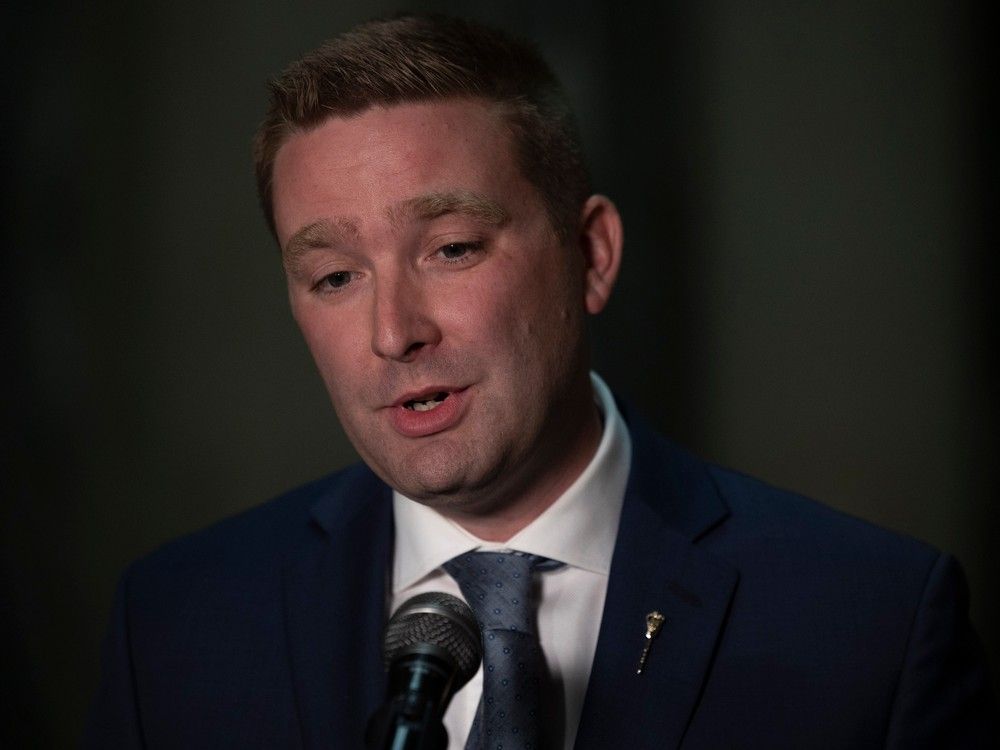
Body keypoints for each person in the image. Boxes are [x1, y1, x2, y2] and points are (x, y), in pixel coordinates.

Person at [84, 14, 995, 749]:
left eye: (451, 249)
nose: (393, 333)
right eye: (333, 277)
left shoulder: (869, 622)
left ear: (590, 255)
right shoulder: (175, 626)